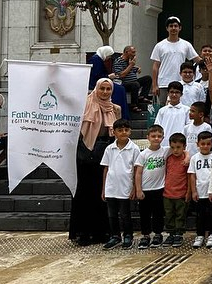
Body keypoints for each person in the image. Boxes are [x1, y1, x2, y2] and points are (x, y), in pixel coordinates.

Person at [70, 78, 121, 246]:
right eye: (102, 89)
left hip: (105, 152)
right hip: (86, 152)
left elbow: (118, 131)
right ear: (97, 89)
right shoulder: (86, 104)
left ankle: (101, 232)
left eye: (108, 89)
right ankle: (83, 232)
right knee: (85, 193)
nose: (105, 92)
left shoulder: (115, 109)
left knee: (102, 193)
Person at [101, 118, 140, 250]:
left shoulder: (134, 149)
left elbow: (136, 170)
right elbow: (106, 168)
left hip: (125, 187)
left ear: (130, 131)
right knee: (112, 214)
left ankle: (128, 236)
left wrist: (135, 187)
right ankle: (115, 236)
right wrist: (103, 189)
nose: (123, 132)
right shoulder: (109, 148)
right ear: (114, 132)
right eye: (120, 130)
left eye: (126, 130)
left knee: (125, 214)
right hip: (111, 187)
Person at [150, 16, 201, 104]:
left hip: (181, 83)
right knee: (163, 108)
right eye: (171, 26)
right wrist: (154, 85)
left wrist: (209, 63)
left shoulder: (186, 45)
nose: (173, 28)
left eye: (175, 26)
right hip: (164, 83)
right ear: (167, 28)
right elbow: (155, 66)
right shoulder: (159, 45)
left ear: (180, 28)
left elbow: (197, 59)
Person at [134, 125, 168, 249]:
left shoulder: (166, 150)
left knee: (158, 213)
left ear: (163, 137)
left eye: (159, 136)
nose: (156, 138)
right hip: (145, 189)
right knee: (145, 214)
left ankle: (158, 234)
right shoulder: (143, 154)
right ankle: (146, 235)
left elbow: (182, 149)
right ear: (148, 137)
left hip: (160, 189)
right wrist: (138, 189)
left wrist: (186, 156)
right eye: (153, 136)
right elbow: (138, 172)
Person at [188, 131, 212, 249]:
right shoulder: (194, 158)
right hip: (199, 192)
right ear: (198, 144)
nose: (205, 146)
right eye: (203, 144)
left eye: (208, 144)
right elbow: (192, 175)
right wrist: (193, 191)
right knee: (200, 215)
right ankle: (200, 235)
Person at [162, 132, 191, 248]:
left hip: (181, 193)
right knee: (169, 214)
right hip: (168, 193)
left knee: (180, 214)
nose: (175, 150)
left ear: (184, 147)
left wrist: (189, 191)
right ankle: (171, 233)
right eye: (173, 147)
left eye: (178, 147)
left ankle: (179, 233)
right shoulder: (168, 158)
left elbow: (189, 176)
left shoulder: (187, 160)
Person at [89, 45, 129, 119]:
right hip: (97, 83)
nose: (109, 58)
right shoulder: (96, 60)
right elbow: (97, 75)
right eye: (109, 55)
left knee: (120, 88)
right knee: (120, 89)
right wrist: (109, 76)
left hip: (102, 81)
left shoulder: (98, 59)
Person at [113, 45, 152, 112]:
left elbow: (131, 69)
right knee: (135, 84)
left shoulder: (129, 60)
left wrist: (137, 68)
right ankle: (134, 105)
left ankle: (142, 97)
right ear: (127, 52)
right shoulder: (118, 61)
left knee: (148, 78)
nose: (134, 54)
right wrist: (131, 65)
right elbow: (121, 75)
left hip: (133, 81)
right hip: (124, 84)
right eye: (133, 52)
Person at [154, 82, 190, 147]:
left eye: (177, 92)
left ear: (181, 94)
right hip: (164, 143)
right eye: (171, 92)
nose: (174, 95)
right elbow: (157, 127)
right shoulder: (162, 110)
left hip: (180, 144)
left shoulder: (187, 110)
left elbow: (188, 128)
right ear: (168, 93)